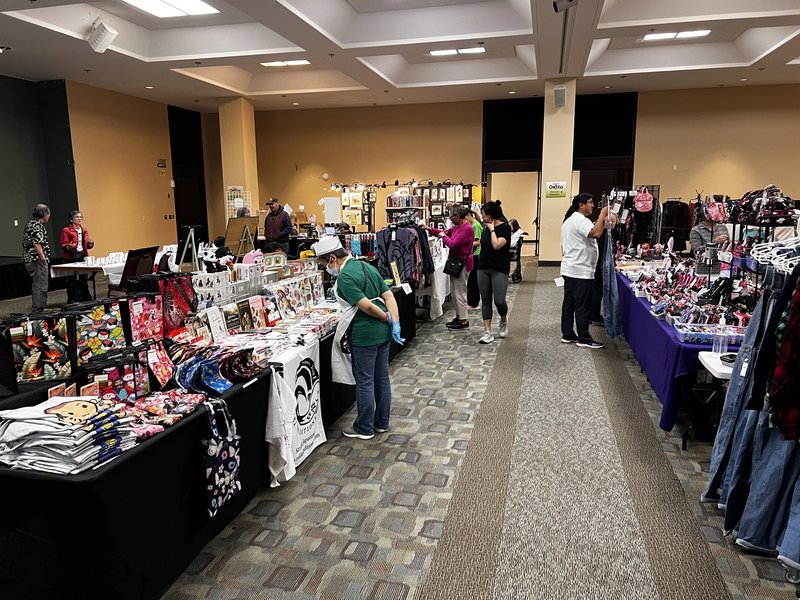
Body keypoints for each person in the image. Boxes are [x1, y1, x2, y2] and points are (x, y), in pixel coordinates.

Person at [312, 236, 404, 440]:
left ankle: (364, 427)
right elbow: (388, 295)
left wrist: (385, 317)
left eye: (325, 264)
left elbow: (367, 307)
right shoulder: (367, 267)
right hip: (383, 333)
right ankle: (381, 422)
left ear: (333, 258)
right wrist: (394, 321)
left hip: (365, 334)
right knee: (381, 378)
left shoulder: (345, 278)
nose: (326, 269)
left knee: (365, 381)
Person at [560, 193, 616, 349]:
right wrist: (603, 214)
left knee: (569, 303)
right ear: (581, 205)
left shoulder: (570, 220)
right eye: (590, 202)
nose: (593, 205)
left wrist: (603, 222)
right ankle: (584, 338)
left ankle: (567, 334)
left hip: (571, 268)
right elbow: (595, 234)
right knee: (582, 305)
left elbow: (595, 230)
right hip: (580, 270)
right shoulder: (580, 220)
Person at [423, 205, 475, 330]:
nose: (450, 219)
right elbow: (445, 232)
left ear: (457, 216)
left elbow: (452, 244)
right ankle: (459, 317)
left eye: (451, 217)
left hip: (462, 263)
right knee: (455, 292)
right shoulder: (458, 227)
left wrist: (443, 237)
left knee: (460, 292)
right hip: (456, 262)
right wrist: (429, 229)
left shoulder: (467, 229)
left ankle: (463, 320)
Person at [477, 200, 511, 344]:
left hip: (499, 268)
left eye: (483, 214)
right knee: (485, 300)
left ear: (490, 215)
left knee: (499, 301)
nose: (482, 217)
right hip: (483, 267)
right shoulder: (484, 228)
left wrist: (492, 230)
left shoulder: (505, 228)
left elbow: (496, 245)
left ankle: (503, 321)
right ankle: (487, 332)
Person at [60, 210, 95, 302]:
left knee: (83, 279)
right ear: (71, 220)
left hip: (82, 256)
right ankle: (72, 300)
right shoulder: (66, 230)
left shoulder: (84, 230)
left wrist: (91, 243)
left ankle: (85, 299)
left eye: (80, 217)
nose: (79, 218)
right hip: (70, 257)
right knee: (71, 280)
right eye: (77, 217)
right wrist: (69, 246)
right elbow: (63, 245)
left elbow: (87, 246)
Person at [22, 204, 51, 313]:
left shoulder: (31, 222)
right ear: (44, 214)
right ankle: (38, 311)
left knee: (37, 284)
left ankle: (39, 308)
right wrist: (43, 258)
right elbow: (36, 243)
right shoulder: (37, 225)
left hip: (30, 258)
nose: (49, 217)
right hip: (37, 259)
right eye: (48, 214)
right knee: (40, 285)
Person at [465, 210, 482, 309]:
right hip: (473, 254)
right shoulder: (473, 225)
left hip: (475, 254)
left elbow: (478, 241)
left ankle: (473, 303)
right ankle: (472, 301)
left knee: (473, 280)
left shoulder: (476, 225)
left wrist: (466, 245)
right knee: (472, 279)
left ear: (469, 215)